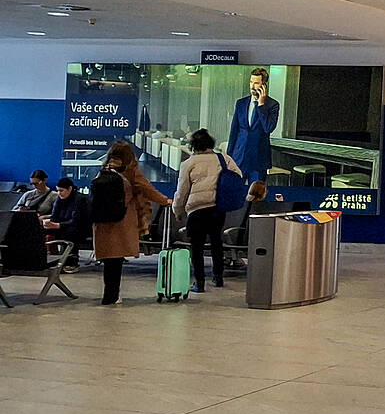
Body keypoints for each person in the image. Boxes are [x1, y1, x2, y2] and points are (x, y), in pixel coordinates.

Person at [92, 141, 172, 306]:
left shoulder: (103, 169)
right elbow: (147, 189)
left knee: (109, 260)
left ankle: (109, 295)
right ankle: (113, 296)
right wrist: (165, 200)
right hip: (121, 220)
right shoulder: (130, 170)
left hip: (102, 221)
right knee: (117, 260)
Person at [174, 128, 242, 293]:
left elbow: (182, 191)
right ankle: (218, 277)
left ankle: (200, 282)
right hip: (217, 208)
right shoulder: (223, 158)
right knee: (216, 242)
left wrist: (177, 211)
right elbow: (238, 176)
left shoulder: (189, 163)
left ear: (193, 146)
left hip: (197, 209)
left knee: (196, 247)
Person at [227, 67, 280, 182]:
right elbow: (234, 131)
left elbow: (268, 128)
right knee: (235, 194)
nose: (252, 86)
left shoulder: (272, 105)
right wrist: (229, 157)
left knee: (256, 197)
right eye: (251, 82)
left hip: (258, 161)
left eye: (256, 83)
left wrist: (261, 106)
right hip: (239, 158)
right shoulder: (241, 103)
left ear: (264, 85)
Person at [42, 178, 91, 271]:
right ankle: (42, 259)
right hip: (63, 225)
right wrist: (49, 222)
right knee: (38, 230)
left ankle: (72, 261)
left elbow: (78, 221)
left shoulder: (81, 200)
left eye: (61, 190)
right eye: (58, 190)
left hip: (80, 228)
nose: (59, 193)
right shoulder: (59, 199)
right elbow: (54, 216)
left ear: (70, 189)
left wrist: (58, 225)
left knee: (69, 233)